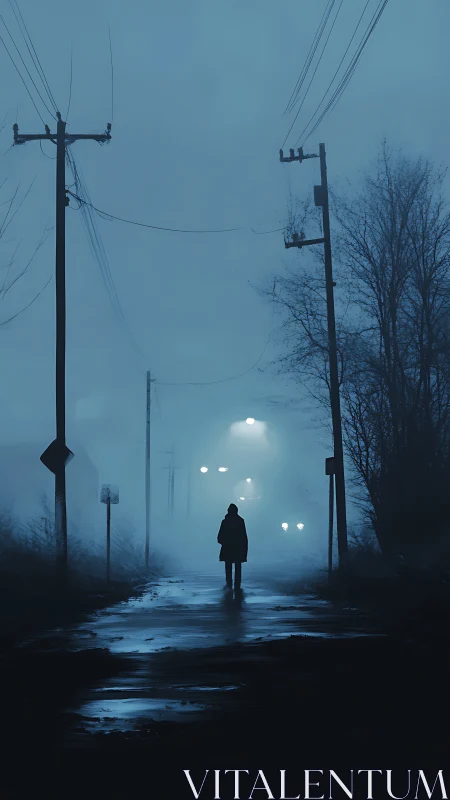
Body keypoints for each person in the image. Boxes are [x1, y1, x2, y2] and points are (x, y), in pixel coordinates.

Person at [217, 503, 248, 590]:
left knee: (228, 565)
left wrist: (224, 542)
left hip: (227, 547)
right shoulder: (240, 521)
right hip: (238, 548)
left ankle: (229, 582)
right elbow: (244, 537)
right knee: (238, 567)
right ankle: (237, 584)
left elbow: (220, 536)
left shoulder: (225, 521)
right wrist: (244, 550)